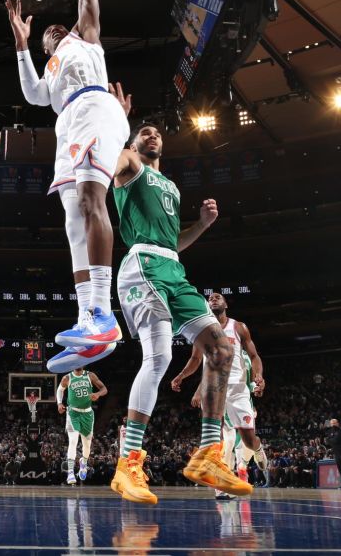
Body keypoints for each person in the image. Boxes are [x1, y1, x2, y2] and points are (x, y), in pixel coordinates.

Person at [4, 0, 129, 374]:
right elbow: (34, 96)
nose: (55, 30)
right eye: (47, 34)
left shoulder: (85, 39)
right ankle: (86, 320)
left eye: (59, 28)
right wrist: (22, 47)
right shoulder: (50, 68)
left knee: (95, 202)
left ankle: (104, 316)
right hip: (67, 125)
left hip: (96, 107)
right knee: (74, 223)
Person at [106, 120, 251, 504]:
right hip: (142, 266)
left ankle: (208, 455)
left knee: (221, 350)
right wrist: (115, 124)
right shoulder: (128, 164)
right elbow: (109, 159)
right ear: (134, 142)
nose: (153, 135)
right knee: (159, 358)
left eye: (158, 132)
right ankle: (128, 463)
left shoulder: (169, 185)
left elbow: (173, 243)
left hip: (172, 267)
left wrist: (202, 225)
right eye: (145, 132)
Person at [171, 292, 268, 497]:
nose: (213, 299)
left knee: (249, 440)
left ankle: (258, 449)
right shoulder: (202, 331)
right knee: (220, 440)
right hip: (214, 389)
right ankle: (221, 482)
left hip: (238, 388)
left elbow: (254, 355)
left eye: (218, 297)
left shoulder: (239, 327)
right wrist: (181, 376)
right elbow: (196, 360)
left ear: (225, 304)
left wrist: (258, 375)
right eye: (210, 299)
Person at [56, 369, 107, 484]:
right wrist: (59, 403)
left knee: (87, 444)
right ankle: (70, 472)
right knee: (73, 441)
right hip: (72, 412)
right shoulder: (67, 378)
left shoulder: (90, 375)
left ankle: (83, 462)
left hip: (87, 413)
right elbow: (60, 389)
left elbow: (104, 389)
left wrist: (98, 394)